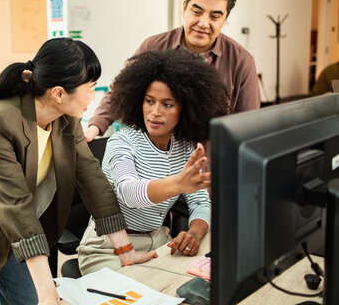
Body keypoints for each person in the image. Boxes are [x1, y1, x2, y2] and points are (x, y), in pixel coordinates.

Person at [0, 38, 157, 305]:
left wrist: (124, 249)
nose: (93, 97)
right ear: (59, 93)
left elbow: (92, 178)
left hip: (17, 234)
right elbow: (14, 202)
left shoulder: (66, 121)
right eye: (90, 88)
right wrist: (48, 291)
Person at [78, 49, 230, 275]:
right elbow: (129, 192)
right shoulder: (122, 143)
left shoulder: (185, 148)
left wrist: (195, 233)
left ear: (186, 109)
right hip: (108, 248)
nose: (154, 112)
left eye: (167, 104)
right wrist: (179, 183)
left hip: (159, 240)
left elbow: (200, 202)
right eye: (149, 101)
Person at [84, 0, 260, 142]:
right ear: (184, 8)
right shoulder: (153, 46)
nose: (203, 23)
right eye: (197, 12)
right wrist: (95, 127)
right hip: (154, 161)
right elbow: (119, 92)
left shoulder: (241, 62)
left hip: (209, 165)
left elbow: (248, 127)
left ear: (225, 19)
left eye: (214, 16)